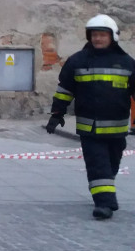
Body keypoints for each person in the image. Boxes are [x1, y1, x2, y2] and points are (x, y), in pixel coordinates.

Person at [47, 14, 134, 220]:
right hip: (90, 128)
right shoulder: (77, 61)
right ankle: (104, 204)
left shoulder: (127, 63)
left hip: (117, 129)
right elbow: (64, 90)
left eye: (102, 35)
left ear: (112, 36)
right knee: (98, 164)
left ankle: (104, 189)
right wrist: (57, 113)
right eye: (94, 35)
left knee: (111, 166)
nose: (97, 39)